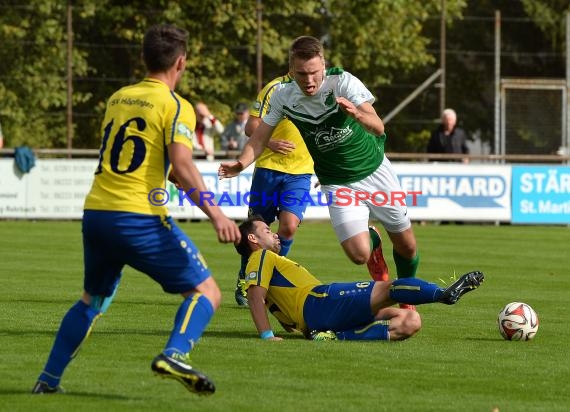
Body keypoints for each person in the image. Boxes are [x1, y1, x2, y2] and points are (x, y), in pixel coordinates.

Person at [32, 24, 240, 396]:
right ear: (181, 62)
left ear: (144, 59)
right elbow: (184, 162)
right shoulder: (176, 106)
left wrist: (173, 174)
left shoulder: (118, 97)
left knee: (91, 300)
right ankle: (175, 354)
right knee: (206, 292)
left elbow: (144, 156)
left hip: (97, 213)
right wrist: (218, 215)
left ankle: (47, 381)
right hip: (137, 216)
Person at [219, 36, 418, 310]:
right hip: (337, 182)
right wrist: (240, 164)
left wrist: (356, 114)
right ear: (292, 69)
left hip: (375, 172)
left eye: (314, 73)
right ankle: (387, 267)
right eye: (301, 74)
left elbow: (379, 127)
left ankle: (408, 290)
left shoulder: (343, 82)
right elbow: (259, 137)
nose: (309, 80)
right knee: (359, 255)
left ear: (323, 65)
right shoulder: (283, 96)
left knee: (407, 247)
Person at [235, 215, 484, 341]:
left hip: (316, 319)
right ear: (253, 240)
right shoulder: (260, 258)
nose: (275, 234)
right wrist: (266, 336)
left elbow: (281, 314)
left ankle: (332, 337)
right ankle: (442, 294)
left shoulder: (266, 263)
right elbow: (257, 296)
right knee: (389, 289)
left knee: (410, 321)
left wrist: (296, 325)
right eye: (267, 231)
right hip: (320, 301)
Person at [233, 74, 314, 307]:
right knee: (256, 231)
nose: (309, 74)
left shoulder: (321, 90)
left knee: (288, 227)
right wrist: (270, 142)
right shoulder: (275, 88)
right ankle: (245, 277)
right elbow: (251, 127)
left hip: (300, 172)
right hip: (268, 169)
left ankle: (268, 277)